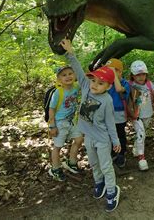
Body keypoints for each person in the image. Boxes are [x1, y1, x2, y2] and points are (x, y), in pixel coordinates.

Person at [60, 39, 121, 212]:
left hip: (102, 139)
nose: (95, 85)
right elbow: (79, 71)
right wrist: (70, 53)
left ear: (108, 86)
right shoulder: (87, 87)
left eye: (100, 83)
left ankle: (112, 190)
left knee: (105, 165)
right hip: (88, 136)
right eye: (94, 81)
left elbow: (110, 123)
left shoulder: (107, 100)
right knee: (94, 163)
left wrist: (115, 141)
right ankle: (99, 183)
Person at [47, 65, 83, 181]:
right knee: (58, 146)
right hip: (60, 122)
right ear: (59, 79)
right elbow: (51, 109)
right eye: (64, 75)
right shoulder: (58, 92)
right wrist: (52, 126)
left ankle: (71, 162)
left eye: (70, 73)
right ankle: (55, 169)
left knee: (78, 139)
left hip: (72, 121)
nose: (68, 77)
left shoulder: (76, 87)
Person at [129, 60, 154, 171]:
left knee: (142, 132)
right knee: (141, 133)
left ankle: (137, 147)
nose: (141, 77)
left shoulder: (149, 84)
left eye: (143, 74)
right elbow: (127, 99)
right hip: (136, 115)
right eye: (138, 75)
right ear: (133, 75)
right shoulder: (130, 85)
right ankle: (142, 159)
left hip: (148, 113)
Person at [104, 58, 130, 168]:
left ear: (120, 72)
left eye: (115, 70)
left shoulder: (125, 83)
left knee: (120, 134)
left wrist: (113, 75)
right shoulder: (106, 83)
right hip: (107, 114)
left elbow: (119, 90)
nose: (112, 73)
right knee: (109, 135)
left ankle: (121, 154)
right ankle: (113, 152)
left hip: (119, 114)